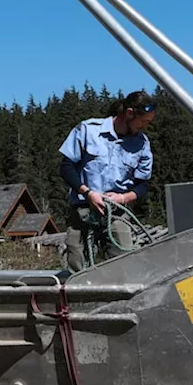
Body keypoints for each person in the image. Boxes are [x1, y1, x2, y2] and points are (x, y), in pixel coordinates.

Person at [58, 90, 157, 273]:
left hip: (118, 212)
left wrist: (123, 198)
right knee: (76, 263)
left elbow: (143, 184)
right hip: (83, 210)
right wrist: (88, 193)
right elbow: (66, 168)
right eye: (143, 121)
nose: (145, 126)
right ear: (129, 113)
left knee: (123, 265)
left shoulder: (142, 144)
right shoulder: (88, 130)